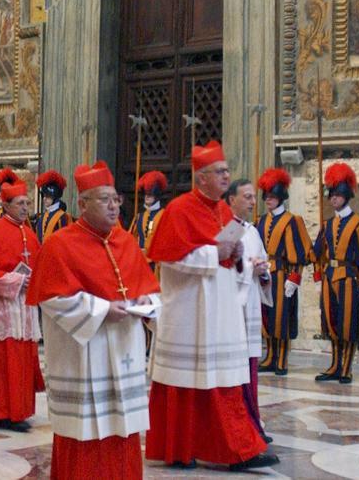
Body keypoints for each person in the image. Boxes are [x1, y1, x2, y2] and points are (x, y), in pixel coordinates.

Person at [145, 141, 275, 471]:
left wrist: (237, 256)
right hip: (190, 311)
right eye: (219, 172)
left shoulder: (223, 212)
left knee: (223, 383)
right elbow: (169, 257)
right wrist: (214, 253)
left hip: (221, 311)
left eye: (227, 171)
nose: (226, 176)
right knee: (187, 384)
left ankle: (236, 448)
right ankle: (182, 449)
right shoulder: (179, 210)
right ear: (201, 177)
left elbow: (229, 258)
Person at [27, 160, 159, 479]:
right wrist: (101, 310)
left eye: (116, 199)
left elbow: (151, 290)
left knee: (123, 430)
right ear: (83, 204)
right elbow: (52, 298)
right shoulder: (60, 245)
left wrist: (147, 302)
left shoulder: (126, 242)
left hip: (125, 349)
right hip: (85, 355)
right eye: (104, 199)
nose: (114, 206)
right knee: (85, 434)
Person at [0, 180, 44, 432]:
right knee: (0, 362)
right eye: (20, 203)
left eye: (27, 203)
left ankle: (19, 411)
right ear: (5, 205)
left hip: (24, 309)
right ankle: (0, 413)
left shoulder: (30, 233)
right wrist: (18, 280)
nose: (25, 208)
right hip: (0, 311)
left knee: (22, 360)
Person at [312, 163, 359, 384]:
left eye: (338, 194)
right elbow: (317, 253)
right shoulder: (327, 225)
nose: (333, 198)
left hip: (351, 279)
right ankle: (335, 364)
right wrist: (318, 276)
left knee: (349, 324)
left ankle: (346, 367)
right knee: (331, 322)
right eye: (331, 194)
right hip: (330, 277)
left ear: (347, 196)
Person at [226, 178, 272, 442]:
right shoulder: (226, 230)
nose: (254, 202)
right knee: (237, 367)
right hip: (233, 307)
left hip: (252, 302)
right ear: (231, 200)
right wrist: (248, 269)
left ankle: (254, 421)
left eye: (254, 197)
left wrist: (263, 271)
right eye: (247, 197)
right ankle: (242, 425)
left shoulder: (253, 231)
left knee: (251, 365)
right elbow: (221, 269)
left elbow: (263, 260)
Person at [255, 167, 312, 376]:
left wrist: (295, 277)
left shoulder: (292, 220)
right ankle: (270, 356)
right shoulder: (261, 220)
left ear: (280, 197)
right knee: (267, 316)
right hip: (265, 273)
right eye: (266, 196)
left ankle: (282, 359)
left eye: (272, 196)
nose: (267, 200)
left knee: (282, 317)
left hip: (283, 274)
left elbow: (302, 251)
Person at [128, 171, 167, 257]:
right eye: (145, 194)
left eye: (150, 194)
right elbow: (129, 240)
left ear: (157, 195)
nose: (147, 196)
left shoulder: (165, 216)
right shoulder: (138, 217)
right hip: (140, 260)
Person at [33, 170, 72, 243]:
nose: (44, 199)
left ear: (55, 197)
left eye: (48, 196)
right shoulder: (42, 217)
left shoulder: (63, 217)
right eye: (43, 195)